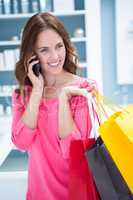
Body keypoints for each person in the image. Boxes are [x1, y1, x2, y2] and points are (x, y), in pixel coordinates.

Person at [11, 12, 98, 200]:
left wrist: (64, 100)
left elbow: (74, 153)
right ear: (32, 55)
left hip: (76, 194)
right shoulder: (23, 95)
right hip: (38, 194)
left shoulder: (84, 89)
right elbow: (21, 143)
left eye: (59, 46)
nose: (55, 56)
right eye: (44, 50)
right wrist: (37, 90)